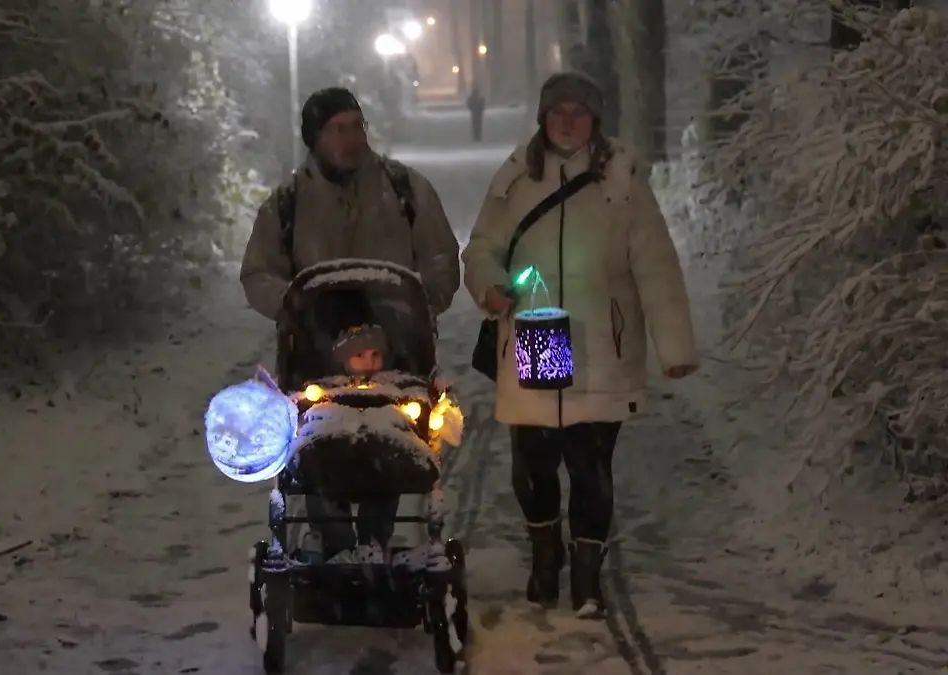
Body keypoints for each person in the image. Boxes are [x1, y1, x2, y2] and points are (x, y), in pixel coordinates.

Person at [460, 72, 699, 619]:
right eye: (558, 111)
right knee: (533, 464)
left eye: (580, 112)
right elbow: (482, 248)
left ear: (596, 120)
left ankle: (587, 573)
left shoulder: (621, 179)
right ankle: (546, 555)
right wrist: (489, 286)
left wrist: (675, 347)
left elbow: (655, 264)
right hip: (535, 334)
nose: (568, 121)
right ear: (543, 118)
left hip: (603, 343)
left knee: (590, 466)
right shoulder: (516, 176)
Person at [241, 86, 461, 564]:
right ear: (315, 138)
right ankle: (338, 542)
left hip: (395, 350)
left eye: (357, 125)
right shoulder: (287, 204)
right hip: (318, 355)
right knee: (320, 448)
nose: (351, 138)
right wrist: (297, 308)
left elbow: (441, 257)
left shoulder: (405, 190)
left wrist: (417, 308)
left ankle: (374, 543)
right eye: (338, 129)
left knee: (391, 441)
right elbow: (259, 272)